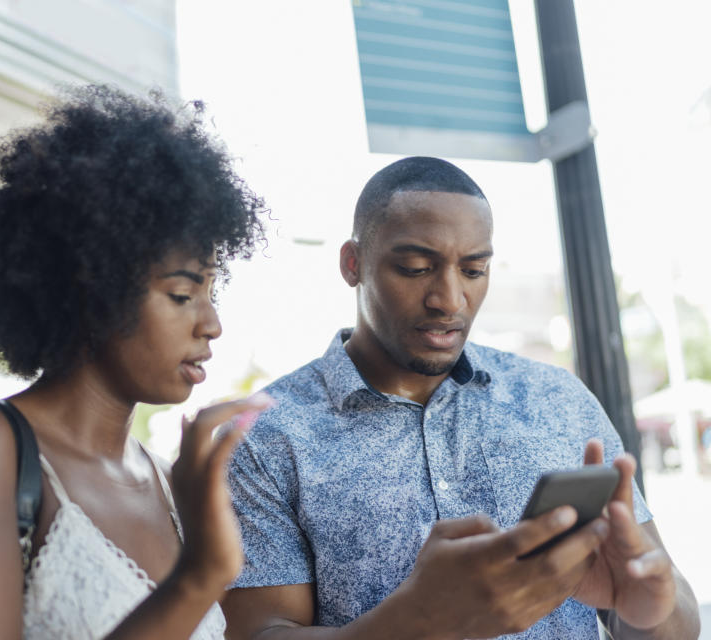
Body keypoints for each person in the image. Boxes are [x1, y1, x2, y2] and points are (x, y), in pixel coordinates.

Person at [222, 157, 700, 639]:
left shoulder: (558, 400)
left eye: (474, 270)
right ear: (353, 264)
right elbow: (259, 632)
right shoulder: (265, 436)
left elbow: (668, 618)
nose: (449, 300)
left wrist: (650, 614)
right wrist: (415, 622)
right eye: (416, 268)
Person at [0, 85, 272, 640]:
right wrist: (197, 579)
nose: (211, 324)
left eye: (213, 291)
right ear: (94, 287)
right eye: (182, 294)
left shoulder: (169, 483)